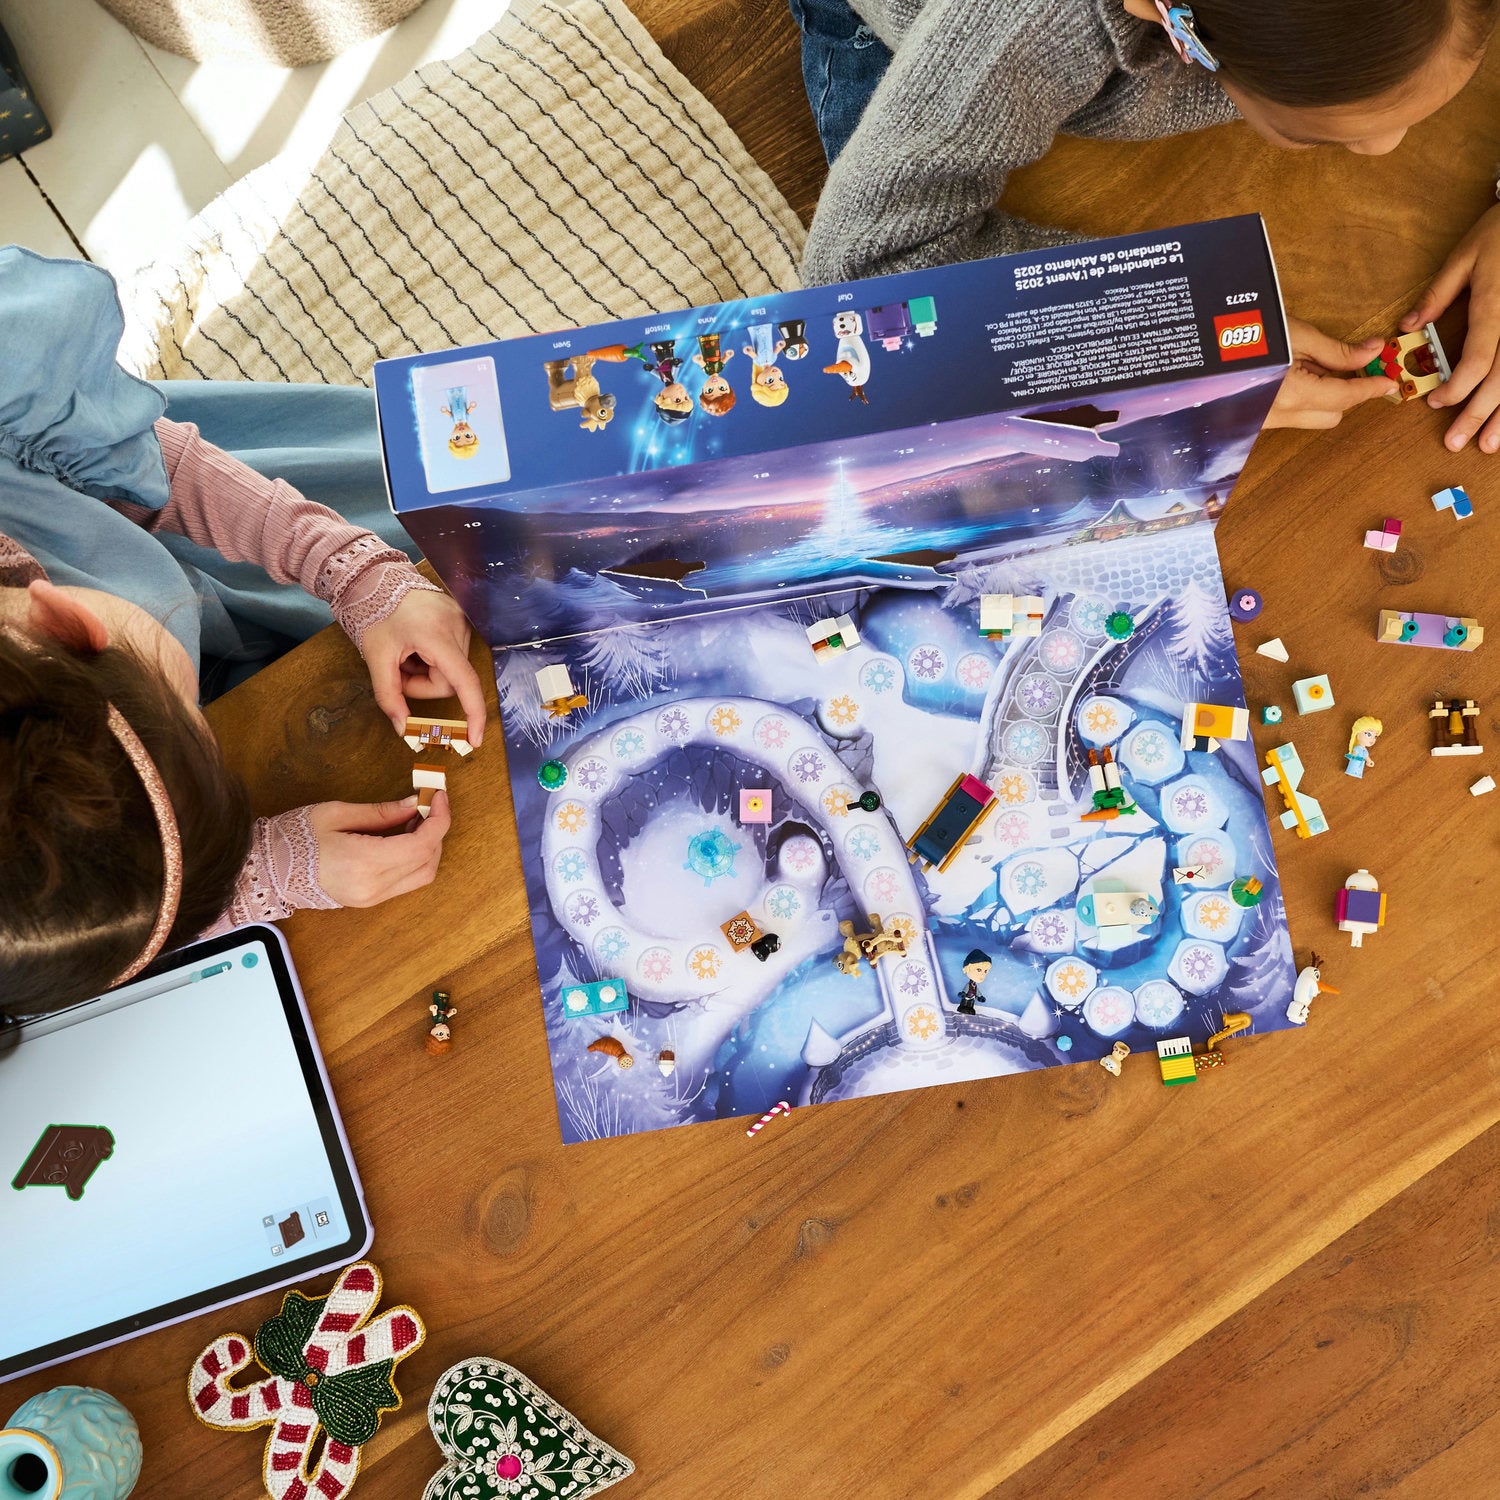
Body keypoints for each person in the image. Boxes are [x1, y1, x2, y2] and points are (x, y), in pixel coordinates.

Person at [0, 248, 488, 1020]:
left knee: (439, 501)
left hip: (174, 517)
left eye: (188, 713)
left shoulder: (19, 398)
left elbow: (136, 468)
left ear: (66, 619)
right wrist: (251, 877)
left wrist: (352, 570)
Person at [791, 0, 1500, 440]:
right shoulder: (1026, 21)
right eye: (1314, 133)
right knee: (893, 409)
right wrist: (1173, 344)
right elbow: (864, 281)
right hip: (923, 32)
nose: (1384, 146)